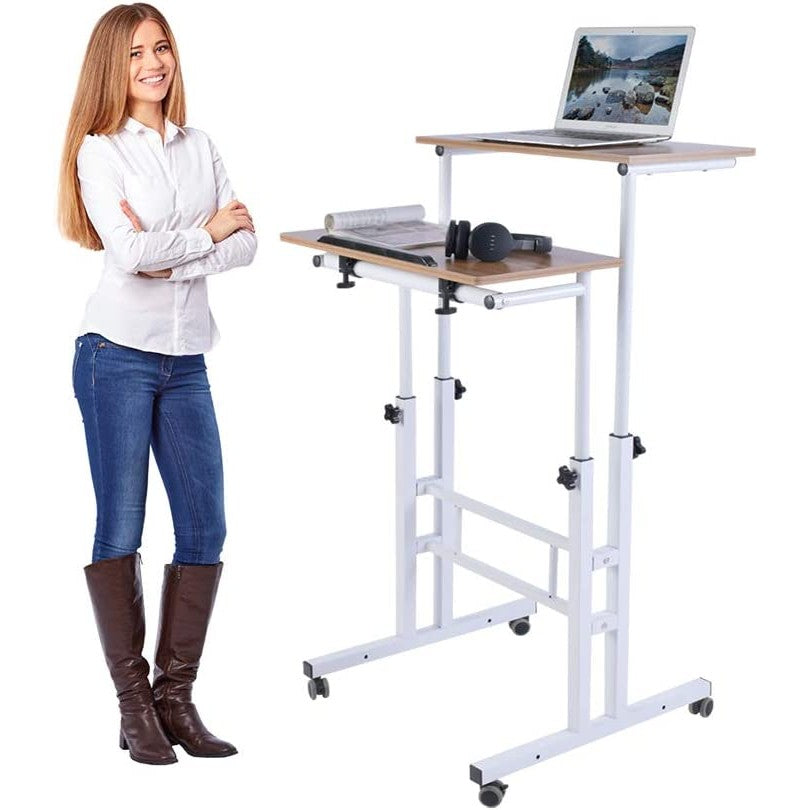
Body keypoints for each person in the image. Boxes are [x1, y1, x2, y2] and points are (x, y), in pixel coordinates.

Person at [57, 3, 257, 765]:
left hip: (187, 360)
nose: (154, 62)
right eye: (138, 50)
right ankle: (133, 704)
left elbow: (246, 242)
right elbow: (130, 251)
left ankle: (178, 699)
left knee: (205, 528)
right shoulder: (99, 151)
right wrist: (203, 235)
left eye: (163, 46)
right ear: (115, 64)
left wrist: (184, 249)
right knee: (121, 529)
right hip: (116, 355)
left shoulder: (199, 144)